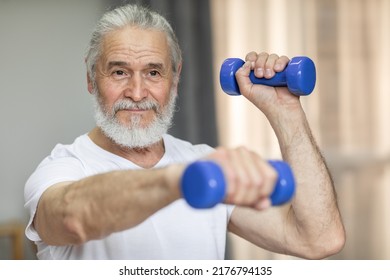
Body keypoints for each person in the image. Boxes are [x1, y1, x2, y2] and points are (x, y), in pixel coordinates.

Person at [24, 4, 345, 260]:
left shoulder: (203, 160)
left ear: (175, 80)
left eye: (153, 72)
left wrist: (286, 111)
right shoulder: (63, 168)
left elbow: (319, 239)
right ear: (91, 79)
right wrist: (178, 181)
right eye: (119, 72)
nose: (137, 92)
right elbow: (70, 217)